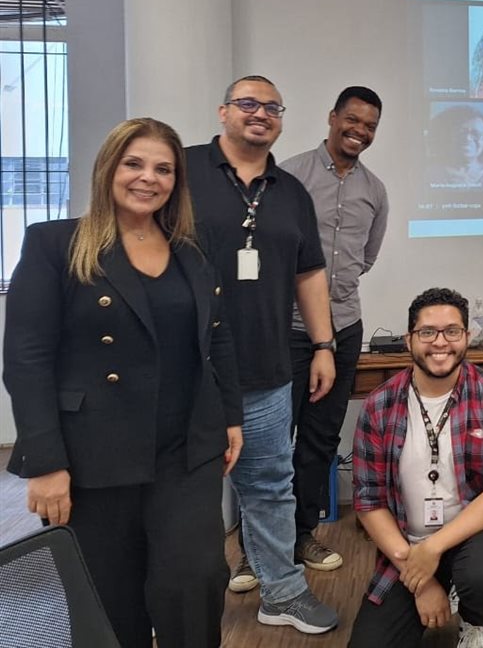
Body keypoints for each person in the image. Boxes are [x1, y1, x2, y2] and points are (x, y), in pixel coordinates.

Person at [4, 118, 243, 648]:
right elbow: (26, 359)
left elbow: (217, 339)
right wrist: (45, 463)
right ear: (109, 167)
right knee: (109, 602)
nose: (148, 178)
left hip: (186, 451)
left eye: (163, 168)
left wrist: (230, 416)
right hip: (93, 455)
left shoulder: (193, 249)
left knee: (196, 579)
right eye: (134, 163)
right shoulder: (55, 244)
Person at [185, 75, 340, 633]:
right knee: (181, 495)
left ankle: (282, 592)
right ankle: (171, 600)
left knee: (271, 485)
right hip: (185, 373)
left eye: (272, 107)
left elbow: (310, 272)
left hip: (266, 370)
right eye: (248, 103)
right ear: (223, 110)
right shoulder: (181, 172)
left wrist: (323, 345)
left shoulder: (291, 191)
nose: (260, 113)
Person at [349, 287, 483, 648]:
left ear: (467, 337)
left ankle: (475, 621)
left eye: (452, 331)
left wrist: (435, 548)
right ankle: (443, 585)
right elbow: (369, 501)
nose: (440, 343)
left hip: (471, 536)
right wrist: (420, 577)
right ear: (409, 340)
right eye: (427, 332)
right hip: (407, 546)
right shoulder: (379, 406)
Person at [277, 87, 389, 573]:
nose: (359, 131)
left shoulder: (374, 190)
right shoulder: (289, 176)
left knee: (319, 440)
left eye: (369, 126)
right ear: (332, 117)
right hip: (288, 329)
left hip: (343, 329)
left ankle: (302, 537)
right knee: (271, 440)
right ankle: (257, 550)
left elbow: (365, 258)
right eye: (353, 120)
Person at [427, 105, 483, 190]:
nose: (467, 138)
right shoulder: (429, 169)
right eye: (461, 132)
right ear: (447, 135)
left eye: (475, 133)